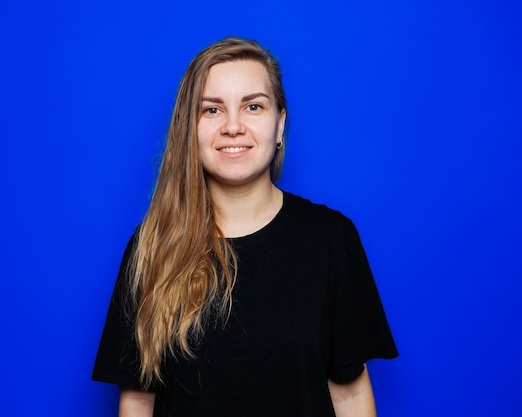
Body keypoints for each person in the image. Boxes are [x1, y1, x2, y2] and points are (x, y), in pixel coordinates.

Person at [92, 37, 398, 417]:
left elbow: (350, 395)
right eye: (212, 110)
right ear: (190, 127)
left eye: (253, 106)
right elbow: (139, 400)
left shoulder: (331, 239)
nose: (233, 126)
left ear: (280, 122)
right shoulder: (152, 246)